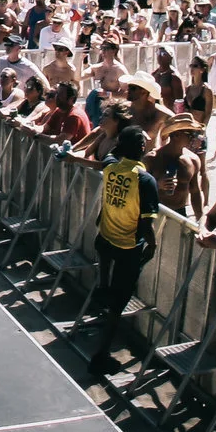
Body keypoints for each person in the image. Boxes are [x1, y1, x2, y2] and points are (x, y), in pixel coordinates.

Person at [85, 125, 158, 341]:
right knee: (120, 301)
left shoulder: (110, 167)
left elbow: (109, 155)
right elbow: (146, 223)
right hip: (128, 247)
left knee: (106, 283)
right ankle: (103, 350)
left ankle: (102, 290)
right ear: (142, 147)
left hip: (105, 239)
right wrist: (152, 245)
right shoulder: (145, 180)